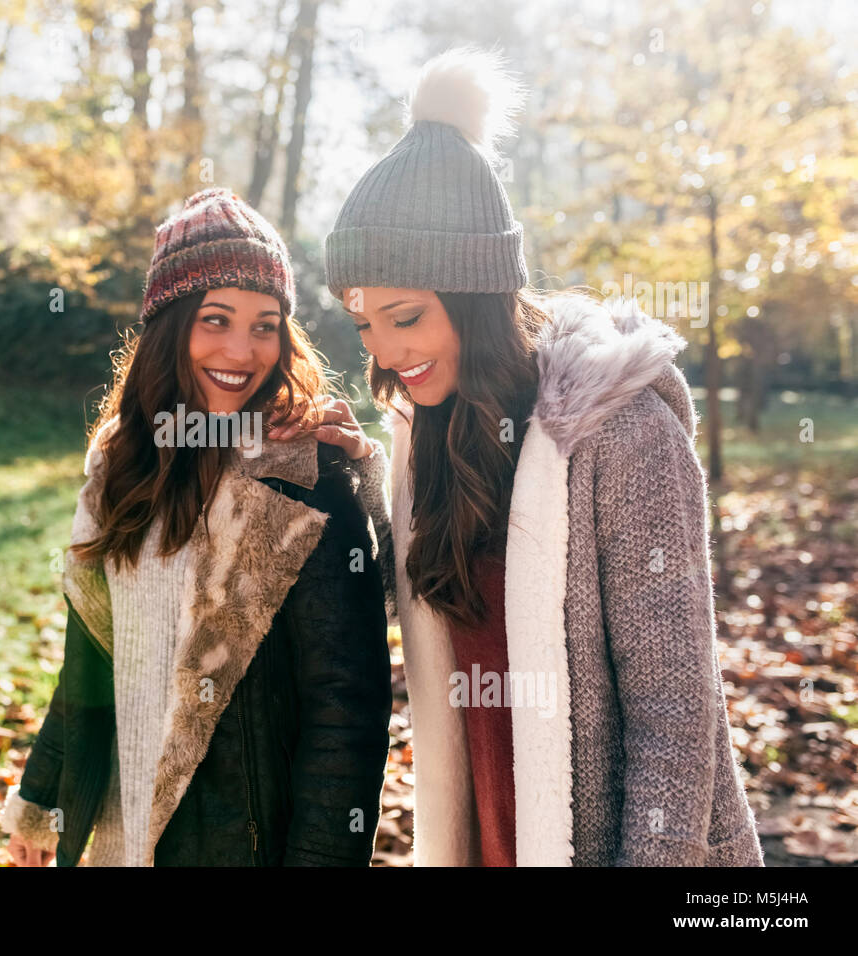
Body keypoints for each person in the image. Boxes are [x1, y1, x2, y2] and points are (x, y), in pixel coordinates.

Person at [324, 47, 764, 866]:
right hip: (492, 836)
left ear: (475, 292)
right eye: (364, 326)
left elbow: (675, 710)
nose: (383, 352)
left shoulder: (621, 433)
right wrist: (357, 486)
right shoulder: (431, 434)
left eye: (406, 316)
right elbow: (441, 609)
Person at [0, 187, 393, 866]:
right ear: (169, 324)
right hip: (123, 835)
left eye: (265, 324)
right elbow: (89, 664)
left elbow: (346, 714)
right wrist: (41, 803)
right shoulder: (118, 467)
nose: (243, 350)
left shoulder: (305, 472)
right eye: (217, 319)